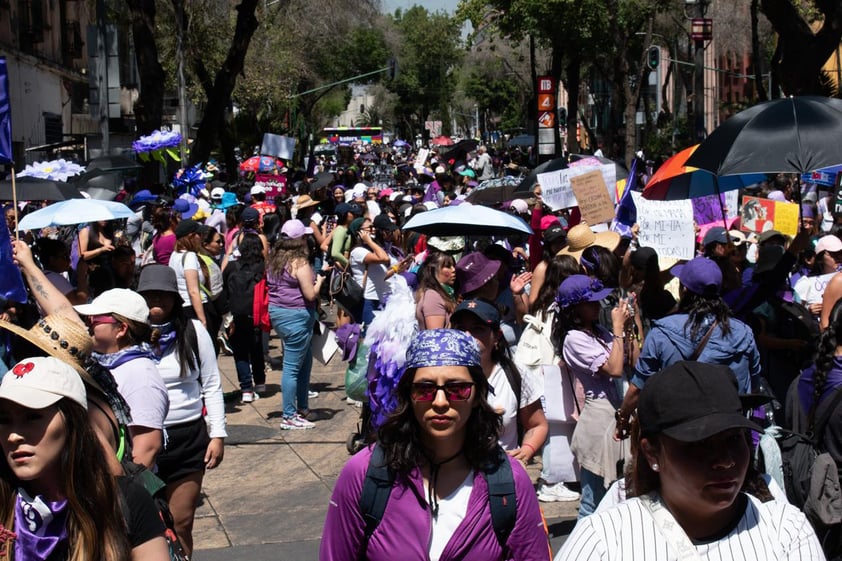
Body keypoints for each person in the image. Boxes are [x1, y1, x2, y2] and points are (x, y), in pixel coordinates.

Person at [556, 361, 826, 561]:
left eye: (733, 438)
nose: (724, 461)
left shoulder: (785, 529)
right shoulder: (604, 539)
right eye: (699, 445)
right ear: (652, 453)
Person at [320, 329, 551, 561]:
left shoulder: (509, 482)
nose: (440, 402)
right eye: (425, 389)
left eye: (457, 389)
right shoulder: (364, 475)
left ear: (477, 393)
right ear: (408, 395)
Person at [0, 356, 169, 561]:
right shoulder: (4, 504)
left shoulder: (125, 501)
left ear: (73, 423)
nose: (14, 435)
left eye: (33, 417)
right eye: (4, 420)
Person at [136, 264, 226, 556]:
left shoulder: (194, 331)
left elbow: (211, 384)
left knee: (181, 522)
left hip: (187, 438)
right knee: (144, 528)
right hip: (142, 441)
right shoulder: (128, 335)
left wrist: (217, 434)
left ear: (175, 298)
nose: (157, 302)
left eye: (163, 295)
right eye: (149, 296)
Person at [616, 257, 762, 436]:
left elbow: (638, 389)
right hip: (731, 437)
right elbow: (753, 384)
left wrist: (623, 418)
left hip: (680, 440)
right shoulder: (744, 333)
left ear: (684, 289)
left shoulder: (661, 333)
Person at [552, 275, 635, 517]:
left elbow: (632, 361)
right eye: (592, 302)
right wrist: (618, 329)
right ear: (574, 309)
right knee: (593, 503)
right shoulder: (573, 339)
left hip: (620, 413)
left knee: (622, 499)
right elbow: (615, 369)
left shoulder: (599, 331)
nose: (598, 305)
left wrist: (631, 325)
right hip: (598, 420)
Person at [74, 288, 169, 470]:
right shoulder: (105, 365)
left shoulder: (141, 376)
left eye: (94, 320)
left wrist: (120, 493)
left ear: (121, 329)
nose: (87, 325)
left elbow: (147, 448)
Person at [451, 299, 547, 458]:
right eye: (460, 329)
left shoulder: (516, 374)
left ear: (497, 337)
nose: (467, 336)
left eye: (478, 329)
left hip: (501, 476)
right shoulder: (440, 376)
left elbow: (537, 425)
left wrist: (526, 450)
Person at [266, 220, 326, 430]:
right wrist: (319, 281)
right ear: (299, 240)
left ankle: (302, 407)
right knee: (291, 367)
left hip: (279, 313)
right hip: (296, 316)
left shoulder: (274, 259)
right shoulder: (300, 262)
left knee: (305, 360)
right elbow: (310, 293)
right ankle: (289, 416)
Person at [222, 231, 267, 403]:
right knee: (256, 347)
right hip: (256, 313)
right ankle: (260, 382)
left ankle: (246, 389)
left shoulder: (233, 266)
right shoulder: (263, 267)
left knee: (240, 352)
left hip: (235, 314)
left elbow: (223, 287)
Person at [347, 216, 390, 326]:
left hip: (376, 299)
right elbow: (384, 258)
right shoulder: (358, 251)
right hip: (367, 300)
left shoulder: (368, 251)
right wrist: (370, 241)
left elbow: (382, 273)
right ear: (359, 232)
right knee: (368, 337)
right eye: (370, 228)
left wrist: (397, 268)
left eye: (373, 227)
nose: (373, 229)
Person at [415, 251, 457, 330]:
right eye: (448, 266)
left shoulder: (442, 293)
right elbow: (435, 337)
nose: (453, 269)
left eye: (453, 265)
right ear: (433, 270)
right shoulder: (432, 297)